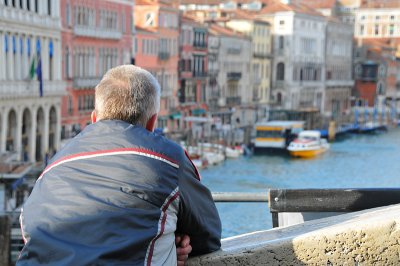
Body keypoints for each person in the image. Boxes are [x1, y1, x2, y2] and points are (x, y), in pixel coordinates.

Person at [17, 65, 221, 265]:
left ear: (94, 118)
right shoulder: (169, 160)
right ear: (152, 123)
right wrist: (169, 244)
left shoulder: (52, 167)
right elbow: (208, 236)